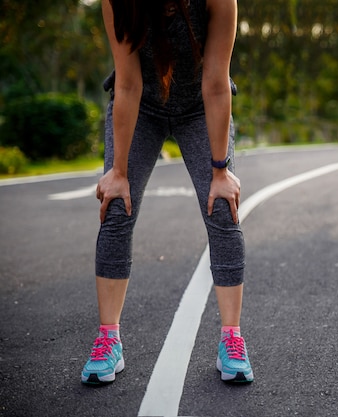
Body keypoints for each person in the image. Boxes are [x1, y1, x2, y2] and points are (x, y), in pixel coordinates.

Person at [81, 0, 253, 384]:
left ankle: (232, 340)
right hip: (139, 108)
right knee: (116, 205)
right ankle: (109, 340)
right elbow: (128, 83)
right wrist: (119, 172)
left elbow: (215, 84)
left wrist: (221, 171)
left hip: (198, 108)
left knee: (222, 205)